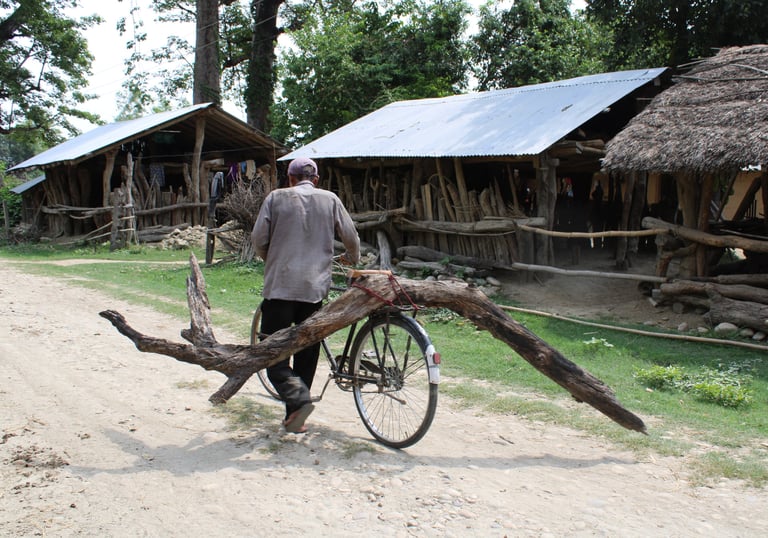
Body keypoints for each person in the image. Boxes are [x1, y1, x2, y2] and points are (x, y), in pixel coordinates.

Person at [251, 157, 360, 433]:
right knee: (306, 351)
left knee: (270, 352)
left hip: (280, 287)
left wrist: (270, 258)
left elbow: (258, 239)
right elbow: (351, 237)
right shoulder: (330, 199)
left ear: (289, 178)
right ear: (316, 180)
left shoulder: (276, 198)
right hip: (313, 291)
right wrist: (351, 257)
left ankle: (298, 400)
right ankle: (296, 416)